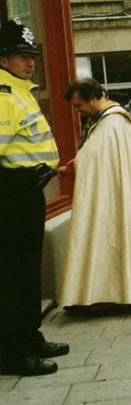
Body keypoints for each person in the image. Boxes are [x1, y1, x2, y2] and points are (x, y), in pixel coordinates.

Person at [0, 20, 68, 376]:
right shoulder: (4, 96)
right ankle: (13, 352)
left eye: (32, 57)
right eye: (22, 56)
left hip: (29, 189)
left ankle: (29, 336)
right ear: (3, 59)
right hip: (11, 191)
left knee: (27, 272)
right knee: (14, 276)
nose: (30, 63)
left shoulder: (21, 91)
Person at [58, 79, 131, 310]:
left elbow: (93, 159)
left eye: (78, 105)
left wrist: (71, 168)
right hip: (114, 195)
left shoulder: (112, 123)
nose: (77, 111)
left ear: (94, 98)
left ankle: (114, 295)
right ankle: (121, 292)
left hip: (114, 198)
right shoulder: (107, 120)